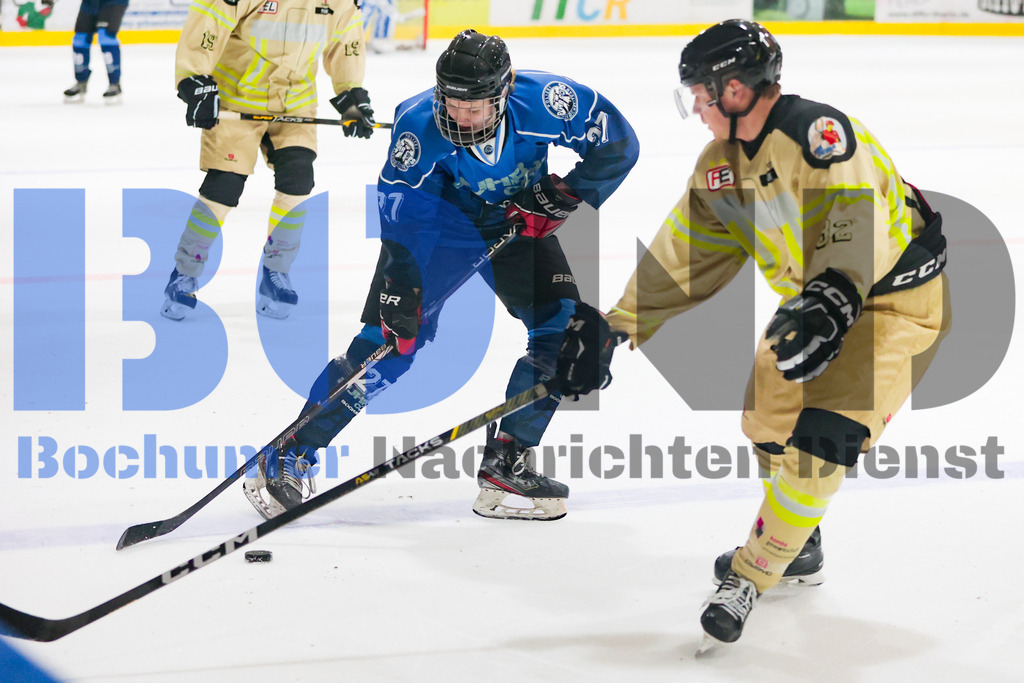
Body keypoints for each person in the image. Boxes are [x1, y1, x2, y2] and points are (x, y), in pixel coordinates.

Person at [555, 19, 949, 647]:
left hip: (891, 306)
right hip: (812, 309)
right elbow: (686, 256)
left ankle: (752, 572)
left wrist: (835, 293)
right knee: (767, 423)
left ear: (735, 91)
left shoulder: (817, 135)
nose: (697, 111)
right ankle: (798, 543)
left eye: (700, 97)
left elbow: (854, 215)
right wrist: (618, 323)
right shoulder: (720, 166)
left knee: (823, 441)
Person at [241, 29, 639, 521]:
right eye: (451, 103)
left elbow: (619, 145)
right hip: (439, 228)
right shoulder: (417, 125)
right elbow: (403, 212)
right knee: (390, 343)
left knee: (560, 335)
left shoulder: (552, 102)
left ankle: (506, 464)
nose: (460, 117)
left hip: (518, 218)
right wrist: (401, 285)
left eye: (474, 107)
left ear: (506, 90)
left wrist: (565, 193)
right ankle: (290, 452)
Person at [160, 0, 376, 321]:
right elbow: (209, 20)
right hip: (237, 99)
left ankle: (276, 272)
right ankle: (184, 272)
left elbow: (346, 40)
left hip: (294, 103)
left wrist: (352, 95)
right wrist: (195, 80)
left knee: (299, 179)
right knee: (224, 185)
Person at [59, 0, 129, 103]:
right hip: (90, 2)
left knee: (106, 36)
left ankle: (115, 84)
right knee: (80, 38)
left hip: (114, 2)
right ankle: (81, 81)